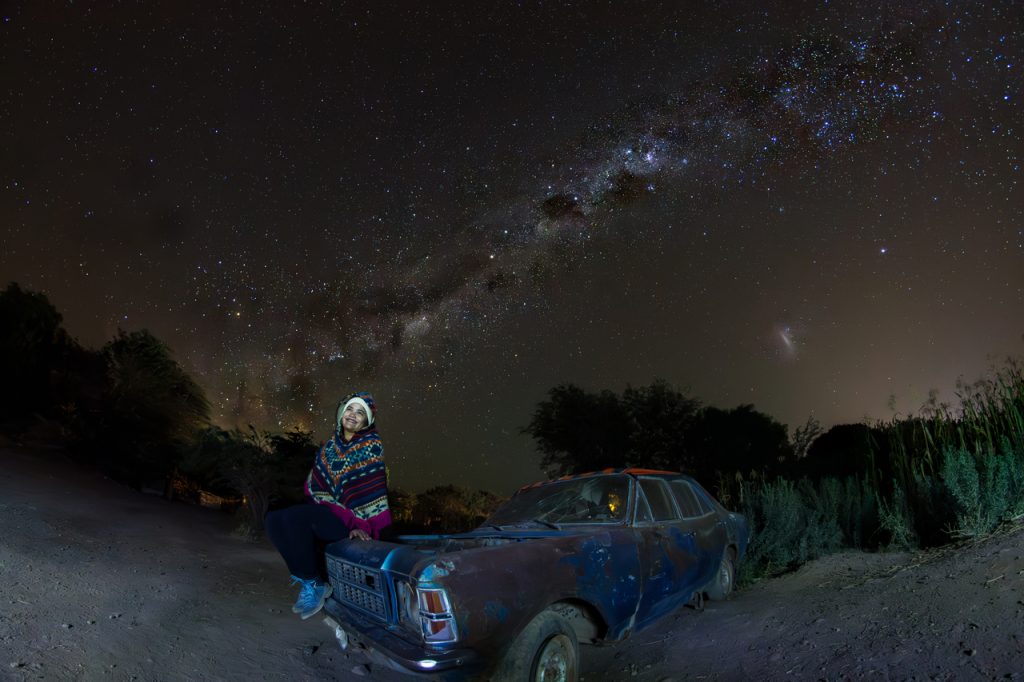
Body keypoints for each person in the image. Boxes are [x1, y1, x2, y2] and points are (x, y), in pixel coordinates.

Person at [265, 391, 392, 620]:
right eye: (350, 409)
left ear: (367, 421)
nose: (353, 415)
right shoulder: (330, 447)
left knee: (296, 518)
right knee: (273, 519)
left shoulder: (371, 446)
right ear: (342, 412)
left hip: (352, 522)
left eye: (360, 412)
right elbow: (315, 484)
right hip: (327, 513)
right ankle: (307, 581)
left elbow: (370, 493)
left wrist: (360, 524)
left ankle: (314, 583)